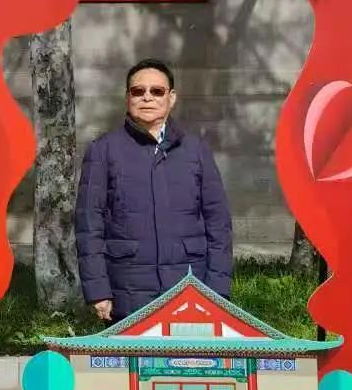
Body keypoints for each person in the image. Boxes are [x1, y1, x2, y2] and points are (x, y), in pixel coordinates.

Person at [74, 58, 233, 323]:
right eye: (138, 91)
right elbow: (89, 225)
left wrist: (217, 291)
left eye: (157, 91)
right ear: (128, 97)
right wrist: (98, 291)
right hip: (128, 292)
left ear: (171, 98)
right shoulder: (103, 150)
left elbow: (218, 224)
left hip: (190, 289)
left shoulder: (196, 150)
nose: (147, 97)